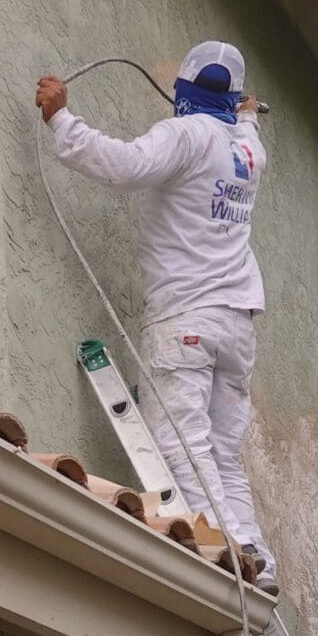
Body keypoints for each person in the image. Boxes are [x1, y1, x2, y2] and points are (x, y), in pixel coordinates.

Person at [36, 41, 273, 588]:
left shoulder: (185, 135)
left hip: (186, 319)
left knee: (181, 442)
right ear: (234, 99)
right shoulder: (249, 150)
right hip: (237, 324)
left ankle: (229, 552)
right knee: (223, 453)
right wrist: (246, 114)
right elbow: (247, 126)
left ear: (184, 89)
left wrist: (61, 120)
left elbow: (124, 166)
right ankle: (261, 560)